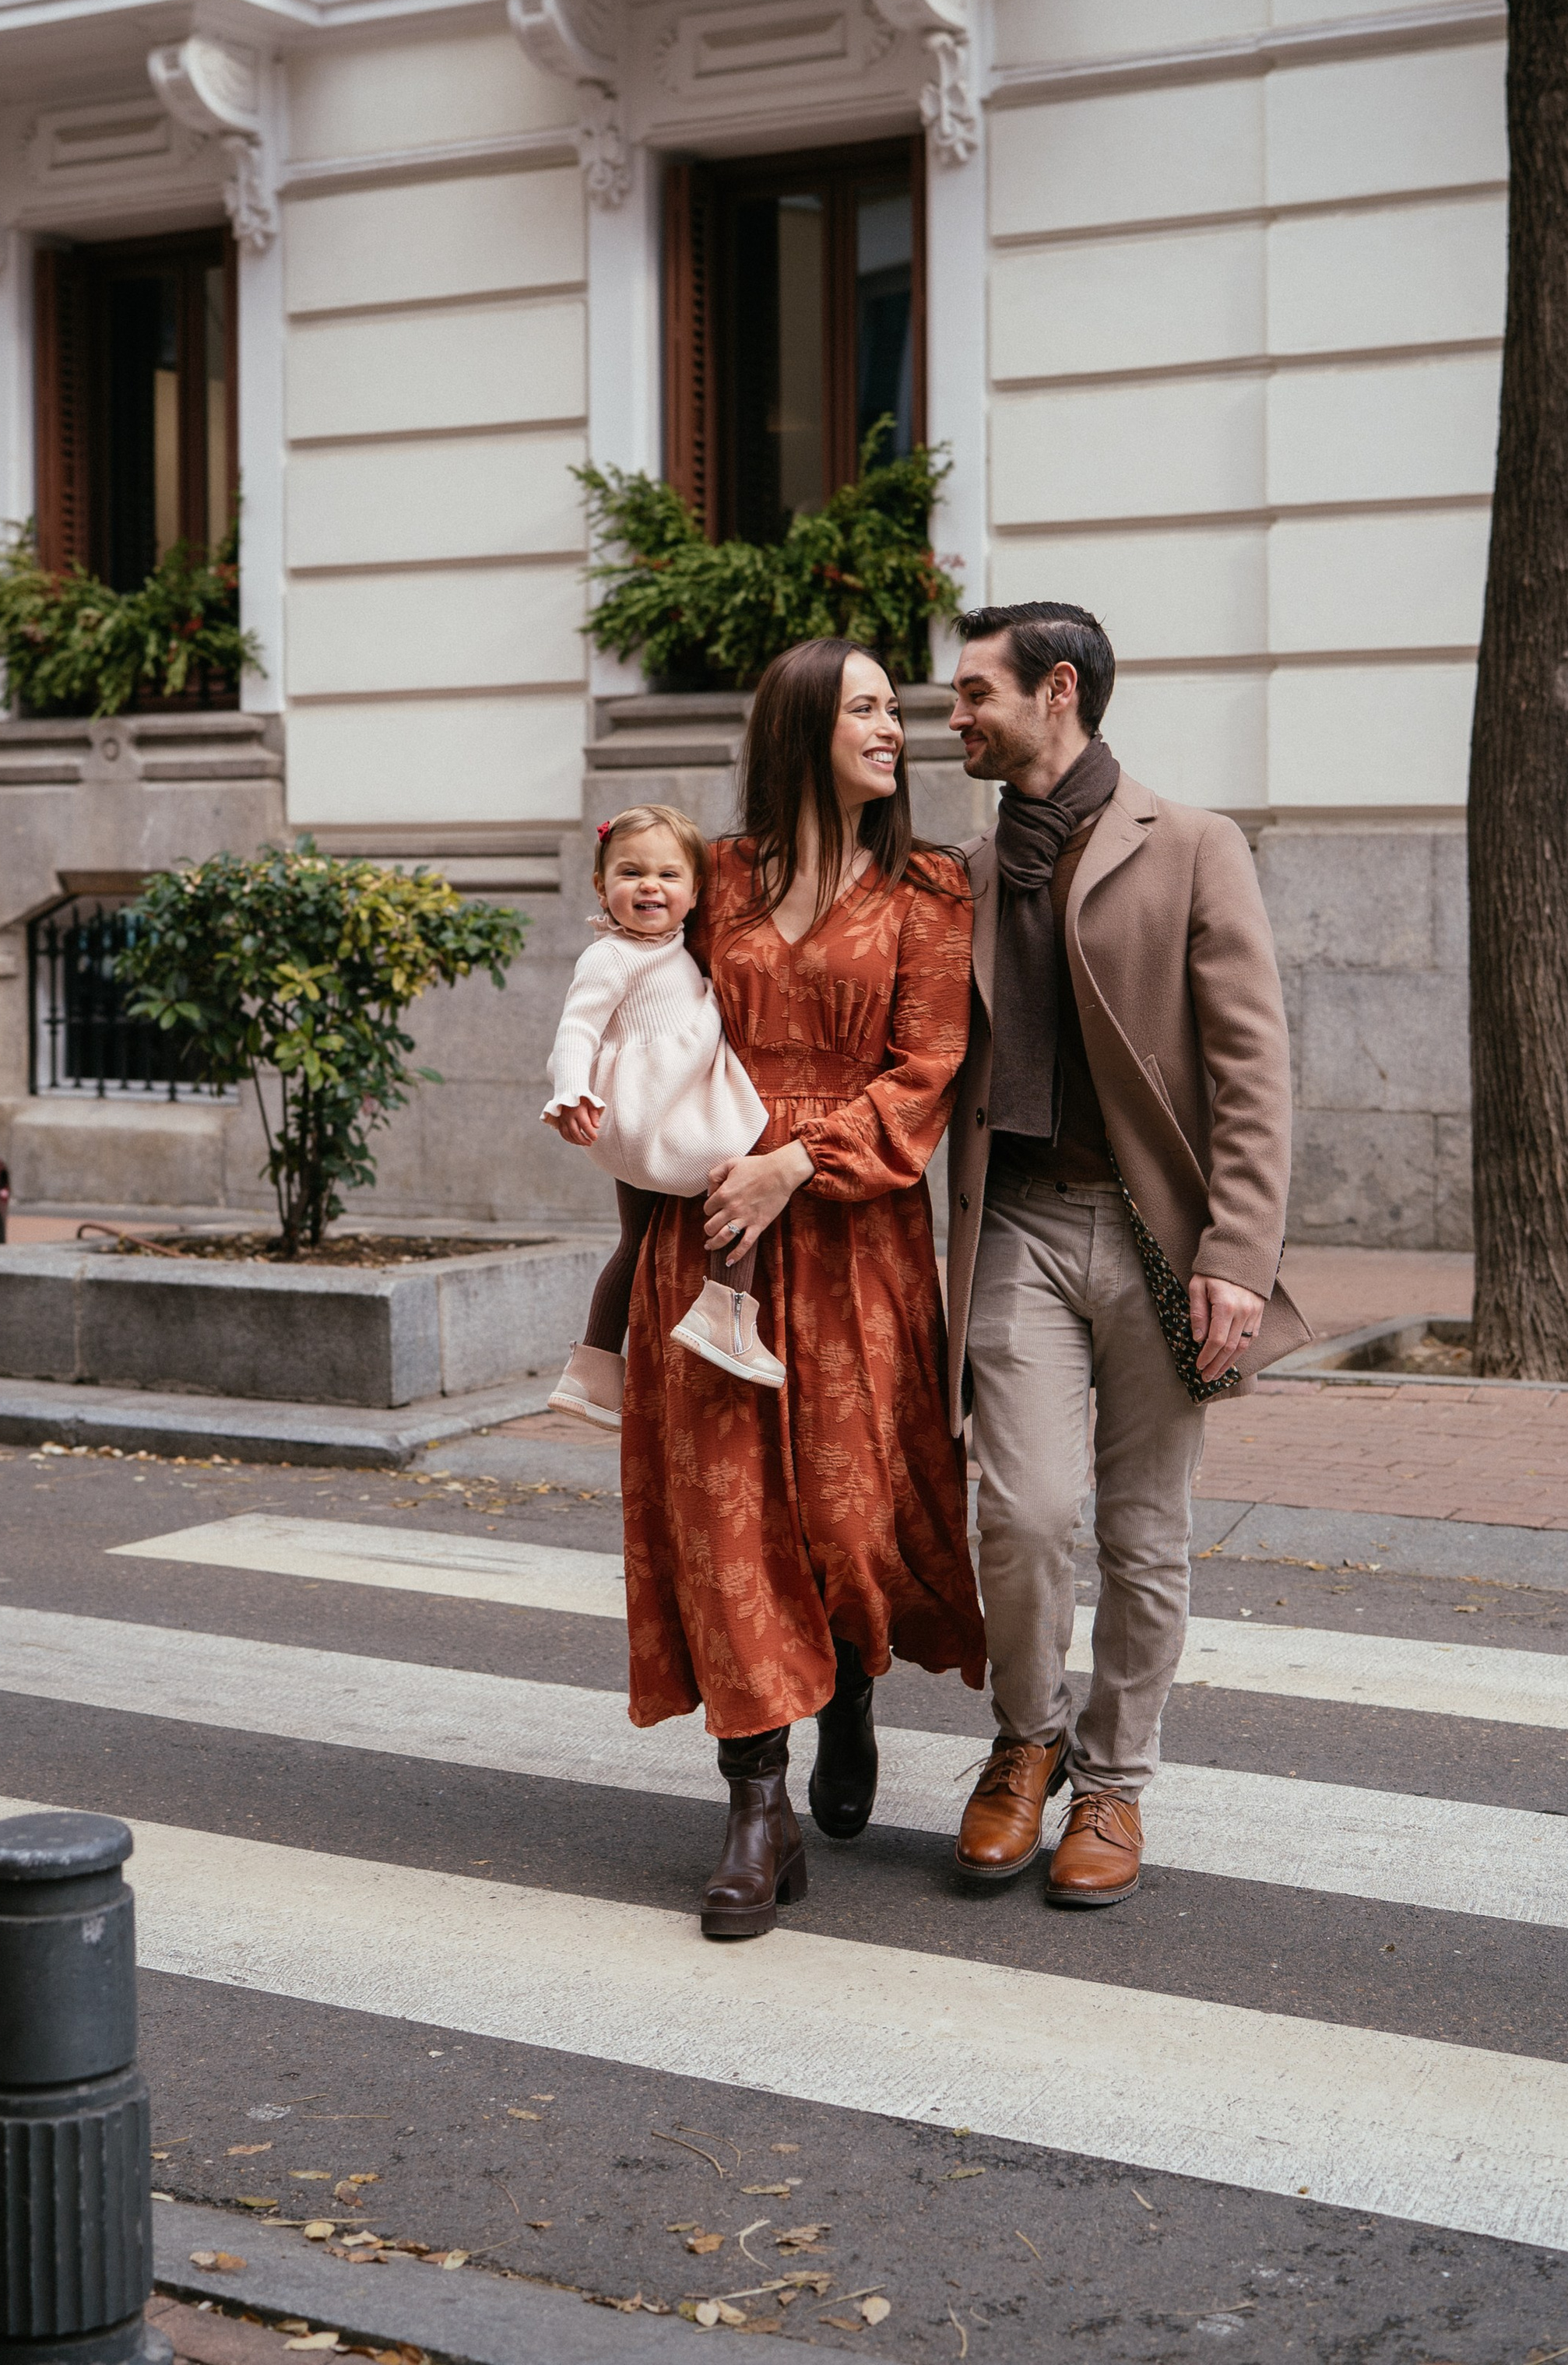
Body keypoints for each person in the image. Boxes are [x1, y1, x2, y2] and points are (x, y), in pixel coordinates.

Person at [943, 601, 1306, 1907]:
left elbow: (1251, 1069)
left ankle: (1114, 1785)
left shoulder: (1193, 844)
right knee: (1026, 1512)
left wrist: (1240, 1256)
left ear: (1055, 691)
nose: (954, 716)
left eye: (973, 693)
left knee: (1148, 1533)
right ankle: (1026, 1740)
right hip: (1020, 1227)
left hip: (1161, 1235)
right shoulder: (970, 870)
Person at [623, 638, 986, 1942]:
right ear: (800, 728)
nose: (899, 727)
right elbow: (644, 1024)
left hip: (853, 1238)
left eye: (899, 709)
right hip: (712, 1235)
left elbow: (926, 1074)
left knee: (846, 1514)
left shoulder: (930, 891)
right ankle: (753, 1803)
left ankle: (850, 1690)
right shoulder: (710, 880)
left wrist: (798, 1162)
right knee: (726, 1521)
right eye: (871, 707)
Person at [542, 803, 779, 1425]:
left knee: (633, 1241)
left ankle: (591, 1370)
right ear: (601, 887)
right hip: (652, 1110)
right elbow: (576, 1029)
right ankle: (723, 1309)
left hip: (648, 1113)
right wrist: (570, 1091)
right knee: (737, 1181)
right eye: (631, 872)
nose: (650, 886)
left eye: (668, 876)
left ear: (696, 893)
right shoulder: (610, 956)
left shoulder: (678, 945)